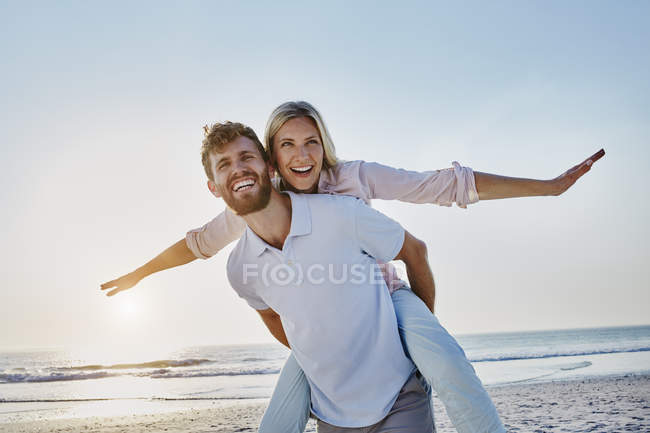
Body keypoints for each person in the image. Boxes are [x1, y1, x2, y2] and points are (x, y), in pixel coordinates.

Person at [101, 101, 604, 433]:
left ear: (324, 146)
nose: (302, 157)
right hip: (327, 332)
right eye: (288, 146)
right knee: (281, 414)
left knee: (448, 366)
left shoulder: (350, 181)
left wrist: (548, 185)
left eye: (312, 142)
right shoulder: (248, 209)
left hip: (387, 300)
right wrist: (139, 275)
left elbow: (442, 186)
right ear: (273, 160)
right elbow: (194, 246)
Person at [212, 121, 434, 431]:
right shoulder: (239, 269)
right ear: (213, 186)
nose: (238, 169)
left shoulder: (340, 213)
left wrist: (418, 339)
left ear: (269, 166)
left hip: (401, 397)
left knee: (456, 372)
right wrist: (329, 360)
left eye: (247, 157)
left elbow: (414, 251)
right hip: (332, 416)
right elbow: (275, 320)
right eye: (224, 164)